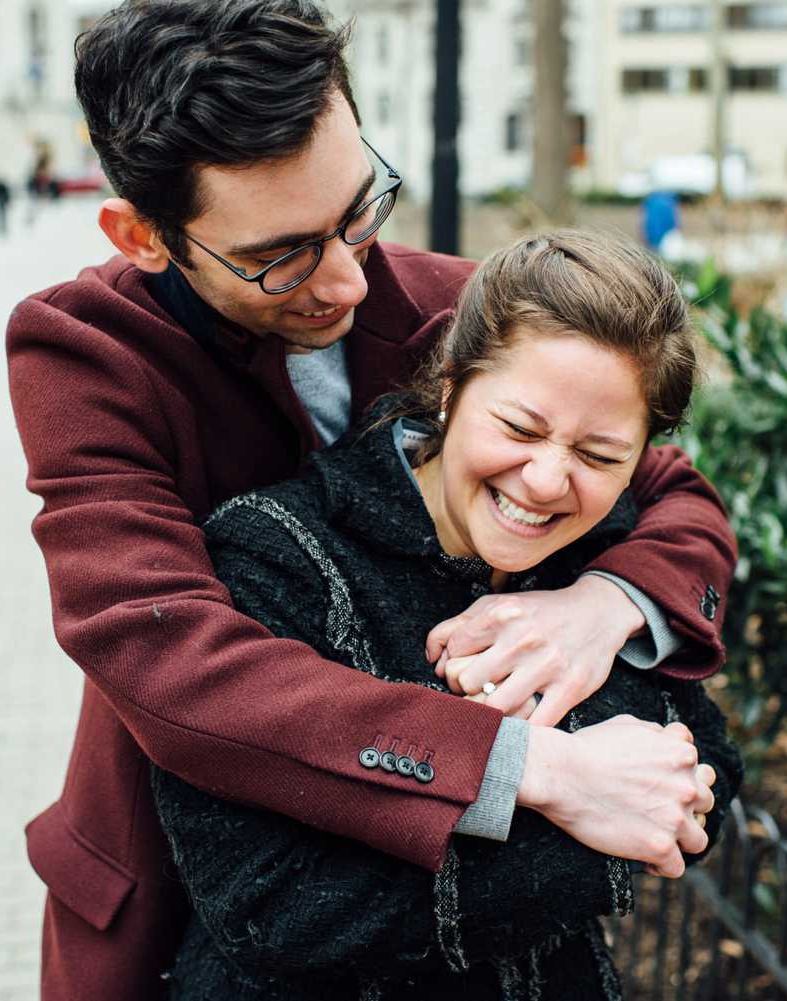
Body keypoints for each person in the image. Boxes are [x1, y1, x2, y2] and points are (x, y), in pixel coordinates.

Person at [5, 2, 737, 998]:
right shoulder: (82, 355)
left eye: (362, 208)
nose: (349, 278)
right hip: (186, 877)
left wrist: (601, 602)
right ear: (142, 235)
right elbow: (165, 653)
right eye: (283, 254)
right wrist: (534, 767)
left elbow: (674, 494)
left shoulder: (461, 309)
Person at [156, 230, 743, 1000]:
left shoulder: (609, 548)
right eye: (520, 428)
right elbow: (272, 908)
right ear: (449, 386)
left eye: (600, 456)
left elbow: (703, 771)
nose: (544, 480)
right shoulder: (274, 553)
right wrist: (590, 818)